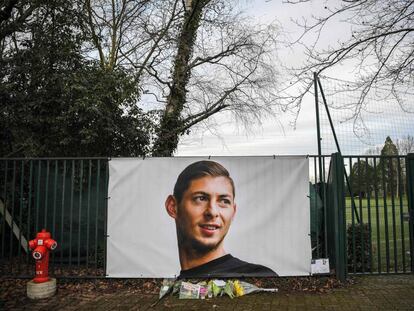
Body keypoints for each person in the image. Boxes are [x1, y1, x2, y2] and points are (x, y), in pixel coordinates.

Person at [165, 160, 277, 278]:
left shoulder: (257, 277)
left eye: (224, 201)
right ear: (173, 207)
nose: (212, 212)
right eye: (201, 198)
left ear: (233, 212)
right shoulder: (172, 288)